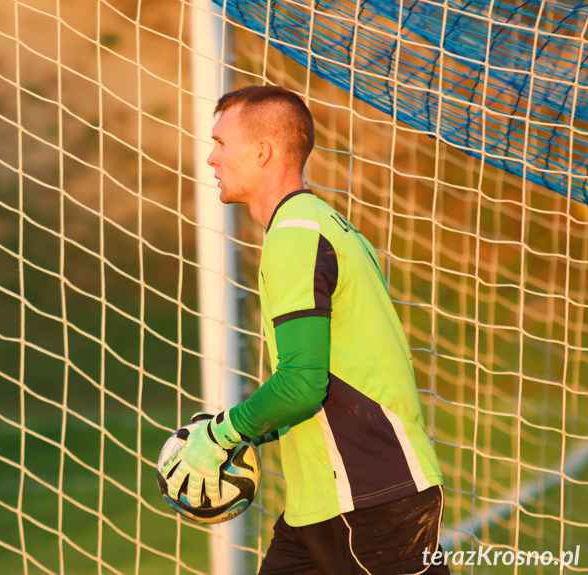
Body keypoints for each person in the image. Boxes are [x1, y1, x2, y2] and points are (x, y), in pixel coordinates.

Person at [159, 85, 450, 575]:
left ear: (262, 151)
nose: (210, 158)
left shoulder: (296, 235)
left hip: (371, 499)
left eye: (221, 143)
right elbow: (331, 378)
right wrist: (259, 431)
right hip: (322, 505)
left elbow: (302, 383)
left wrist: (222, 433)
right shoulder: (318, 223)